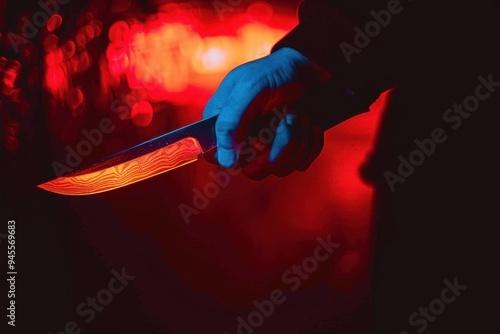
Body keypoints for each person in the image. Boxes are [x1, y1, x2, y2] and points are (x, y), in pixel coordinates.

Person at [203, 0, 499, 333]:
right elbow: (440, 26)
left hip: (450, 192)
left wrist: (314, 48)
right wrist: (309, 66)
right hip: (433, 172)